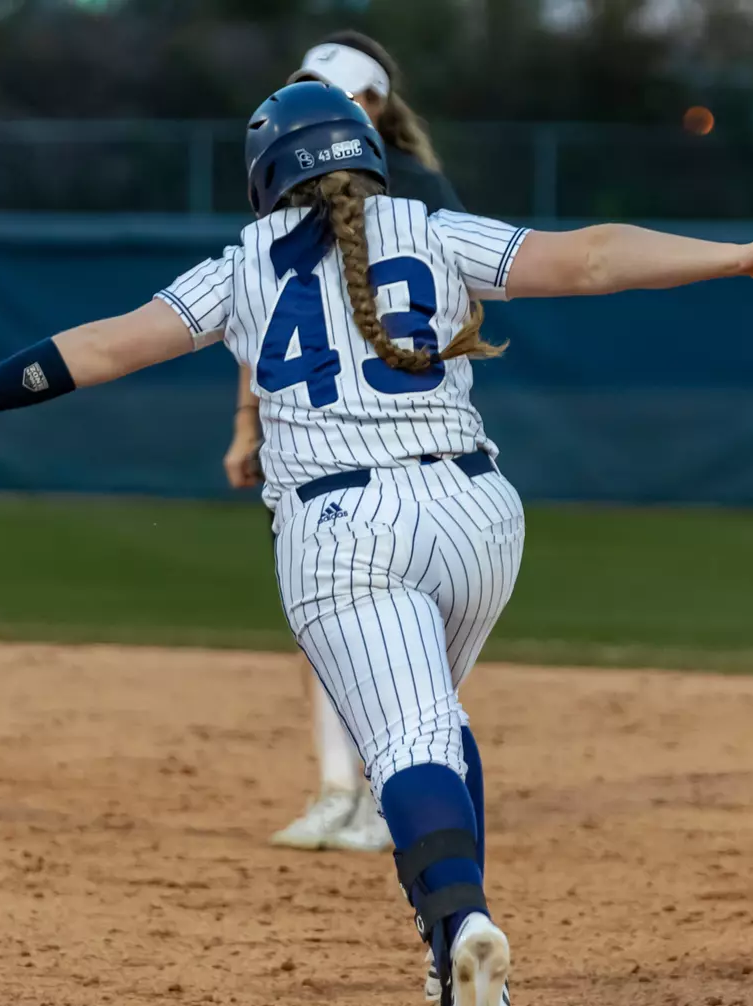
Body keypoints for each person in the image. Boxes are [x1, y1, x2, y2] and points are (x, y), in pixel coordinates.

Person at [0, 81, 753, 1006]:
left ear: (264, 177)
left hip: (342, 528)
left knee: (404, 741)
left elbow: (109, 344)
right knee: (435, 724)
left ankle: (461, 923)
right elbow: (590, 258)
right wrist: (734, 256)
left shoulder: (242, 266)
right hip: (477, 513)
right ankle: (453, 952)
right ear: (367, 155)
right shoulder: (433, 228)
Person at [222, 31, 465, 855]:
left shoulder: (419, 190)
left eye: (338, 92)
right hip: (311, 442)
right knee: (323, 616)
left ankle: (391, 791)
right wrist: (248, 424)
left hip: (398, 442)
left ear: (375, 105)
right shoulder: (290, 178)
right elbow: (262, 312)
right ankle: (337, 790)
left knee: (401, 627)